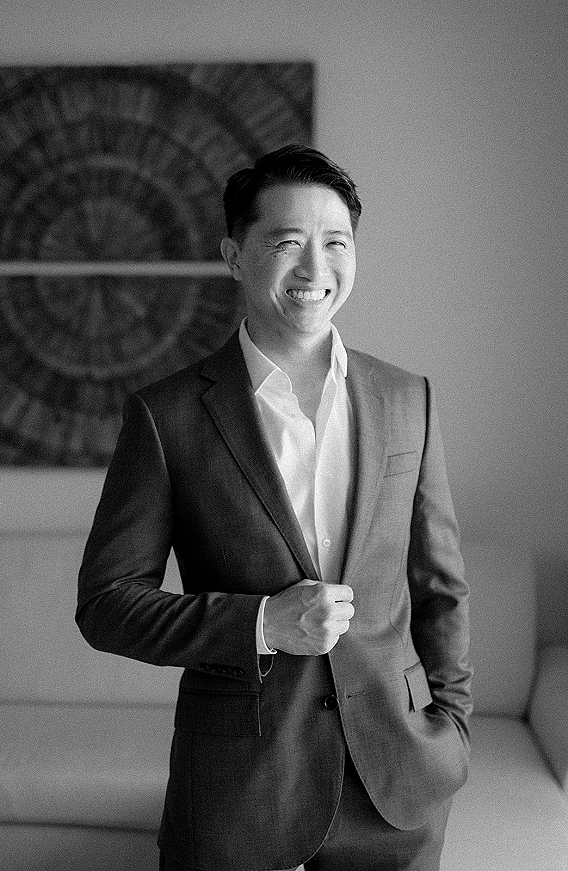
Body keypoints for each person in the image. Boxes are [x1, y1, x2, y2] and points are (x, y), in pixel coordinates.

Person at [76, 144, 472, 871]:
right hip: (238, 791)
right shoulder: (166, 416)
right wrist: (263, 623)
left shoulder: (408, 398)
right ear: (234, 254)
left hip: (399, 783)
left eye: (336, 243)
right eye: (287, 241)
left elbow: (440, 586)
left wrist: (453, 724)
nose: (315, 269)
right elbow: (105, 602)